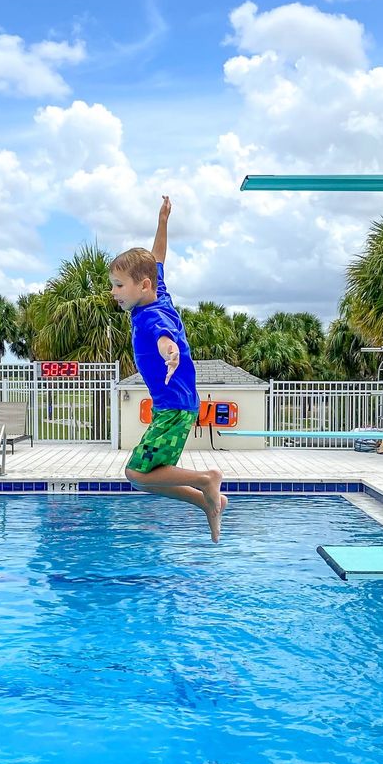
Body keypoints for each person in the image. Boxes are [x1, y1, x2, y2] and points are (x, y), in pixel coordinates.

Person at [110, 195, 227, 542]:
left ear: (141, 286)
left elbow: (164, 337)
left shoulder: (151, 315)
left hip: (174, 408)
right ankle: (210, 501)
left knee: (137, 474)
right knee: (146, 474)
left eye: (119, 285)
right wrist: (162, 222)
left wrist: (170, 351)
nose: (113, 291)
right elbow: (156, 257)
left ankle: (207, 481)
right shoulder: (157, 292)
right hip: (174, 407)